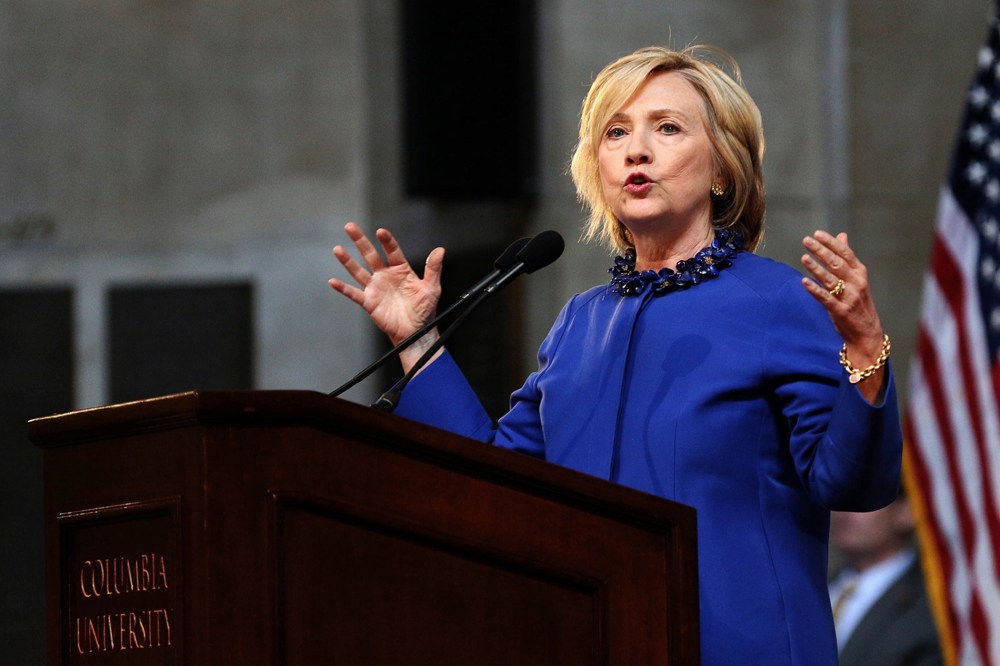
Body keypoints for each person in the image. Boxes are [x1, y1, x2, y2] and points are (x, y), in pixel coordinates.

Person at [329, 45, 903, 665]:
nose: (636, 150)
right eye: (616, 132)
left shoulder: (779, 302)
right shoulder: (580, 323)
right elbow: (493, 485)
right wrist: (417, 342)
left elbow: (854, 482)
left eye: (668, 128)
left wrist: (866, 351)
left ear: (722, 169)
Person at [829, 492, 943, 665]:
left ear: (907, 512)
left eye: (864, 500)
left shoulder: (931, 600)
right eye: (840, 499)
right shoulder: (815, 588)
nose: (845, 512)